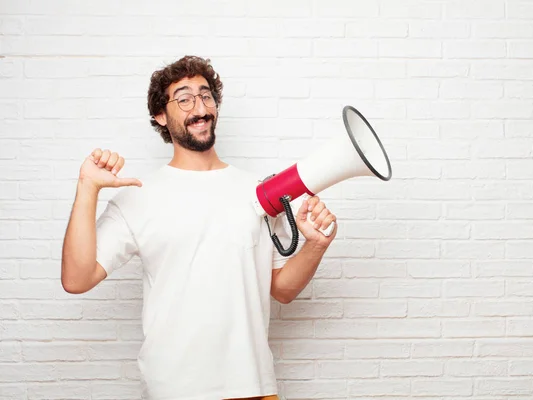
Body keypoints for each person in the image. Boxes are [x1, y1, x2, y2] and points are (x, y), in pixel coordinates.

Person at [60, 55, 337, 400]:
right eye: (184, 98)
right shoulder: (138, 198)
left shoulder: (260, 192)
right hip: (174, 389)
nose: (200, 107)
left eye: (206, 96)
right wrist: (87, 186)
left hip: (251, 385)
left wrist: (315, 245)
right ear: (160, 115)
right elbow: (76, 279)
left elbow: (282, 290)